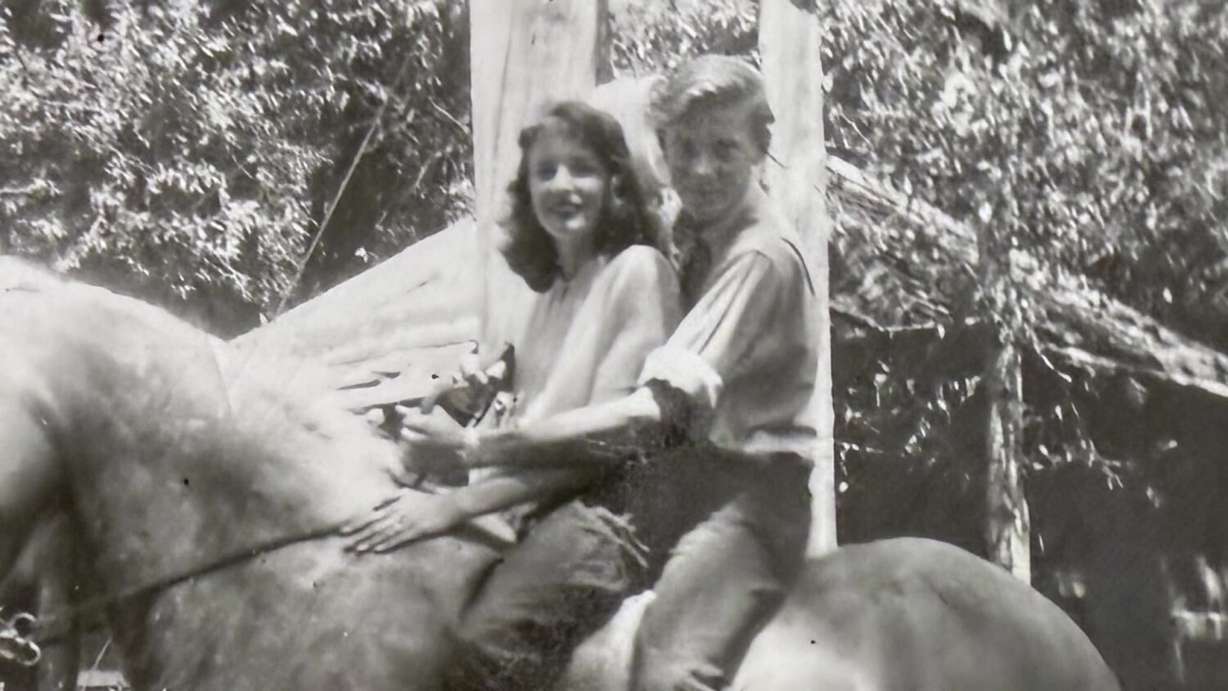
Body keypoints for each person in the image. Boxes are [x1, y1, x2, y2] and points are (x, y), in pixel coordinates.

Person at [400, 55, 820, 691]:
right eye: (684, 148)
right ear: (663, 150)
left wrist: (473, 449)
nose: (701, 170)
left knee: (665, 670)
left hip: (748, 496)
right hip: (674, 479)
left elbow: (649, 416)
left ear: (761, 148)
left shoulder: (759, 257)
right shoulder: (687, 232)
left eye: (724, 149)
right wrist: (485, 382)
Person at [342, 100, 683, 690]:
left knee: (481, 651)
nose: (562, 186)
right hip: (536, 514)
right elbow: (511, 438)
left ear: (615, 183)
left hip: (606, 522)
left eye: (582, 168)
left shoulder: (639, 273)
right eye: (544, 171)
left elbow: (597, 454)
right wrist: (445, 412)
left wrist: (453, 503)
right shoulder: (544, 299)